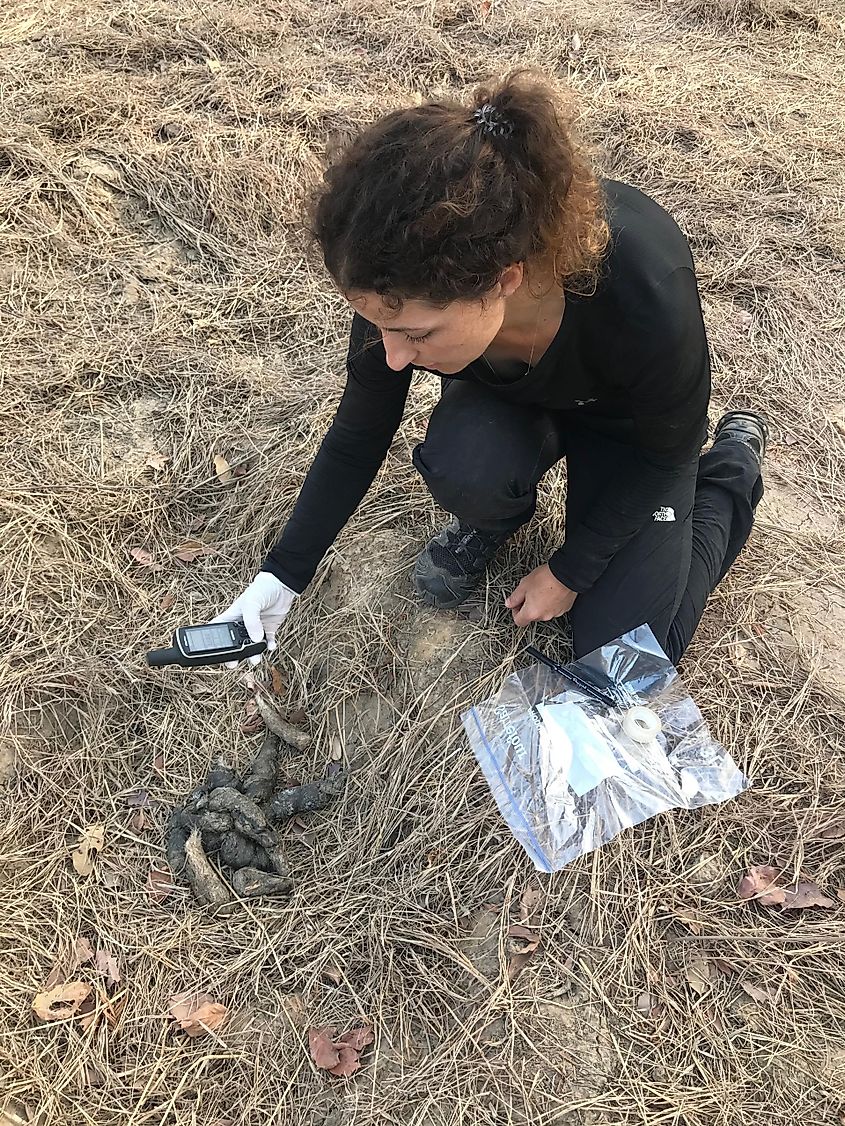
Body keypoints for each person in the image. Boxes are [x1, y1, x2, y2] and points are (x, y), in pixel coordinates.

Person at [215, 70, 766, 667]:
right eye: (381, 328)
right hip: (516, 406)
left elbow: (665, 454)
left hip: (631, 435)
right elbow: (358, 435)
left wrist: (570, 569)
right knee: (468, 463)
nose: (393, 355)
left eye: (417, 335)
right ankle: (495, 519)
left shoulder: (646, 289)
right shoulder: (397, 286)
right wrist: (281, 578)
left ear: (503, 282)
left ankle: (732, 473)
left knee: (626, 656)